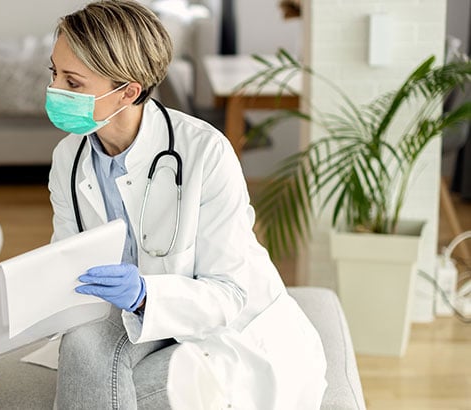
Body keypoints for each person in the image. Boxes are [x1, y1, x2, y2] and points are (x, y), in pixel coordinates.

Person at [44, 2, 327, 409]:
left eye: (73, 83)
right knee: (82, 344)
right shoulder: (68, 159)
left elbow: (229, 293)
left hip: (221, 324)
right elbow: (68, 260)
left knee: (146, 389)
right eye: (53, 74)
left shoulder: (204, 152)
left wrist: (144, 294)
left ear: (128, 90)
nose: (55, 92)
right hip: (129, 319)